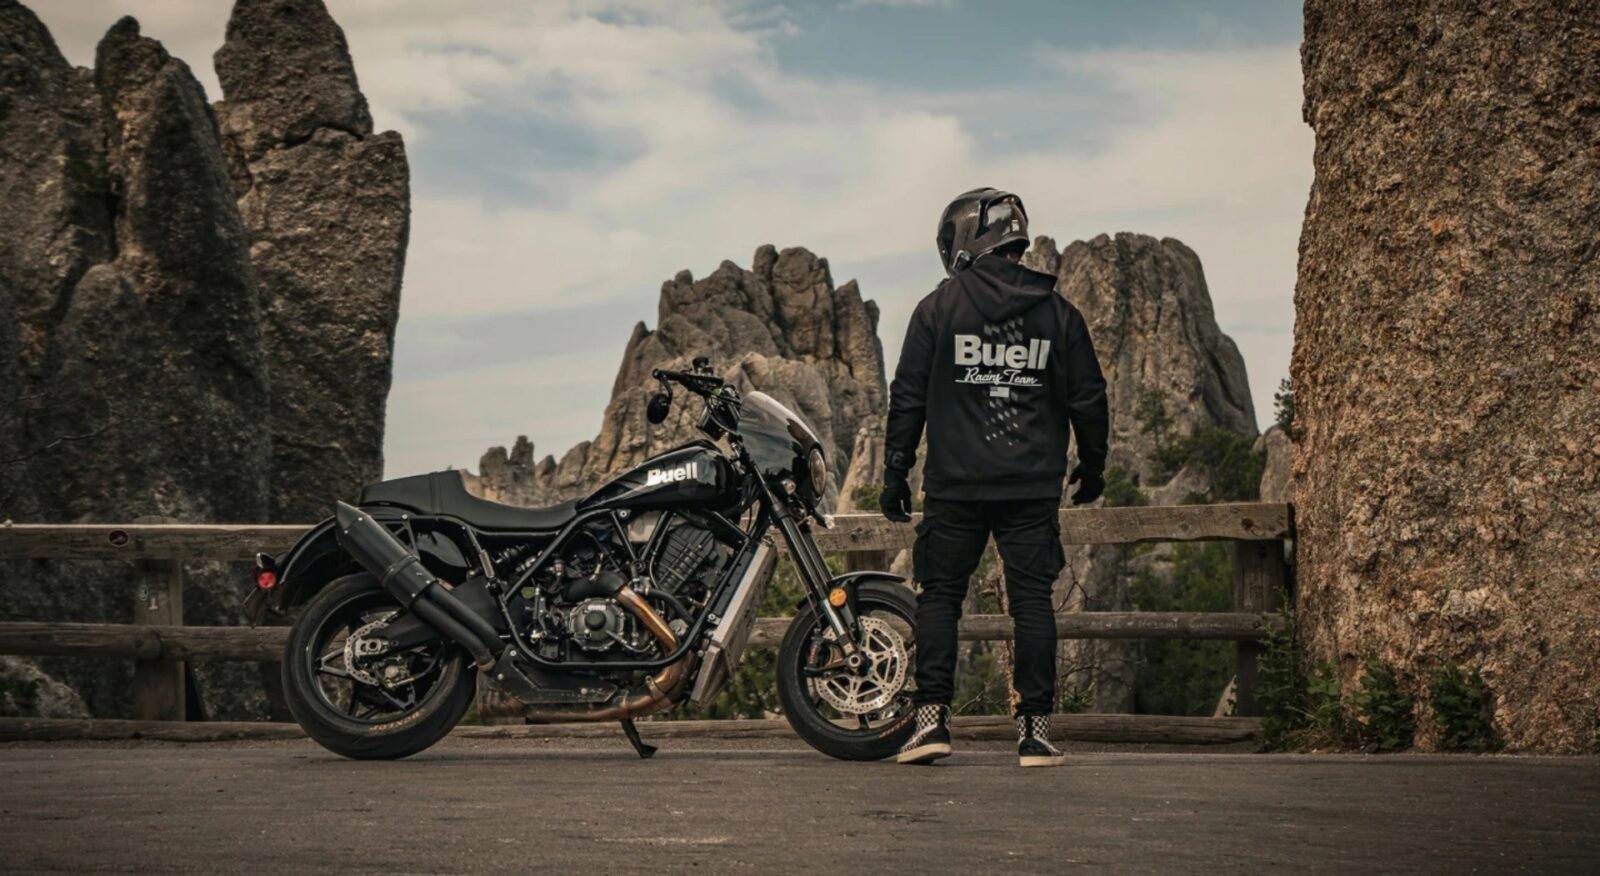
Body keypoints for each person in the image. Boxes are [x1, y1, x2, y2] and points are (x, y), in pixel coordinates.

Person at [881, 187, 1109, 768]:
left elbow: (907, 398)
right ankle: (1035, 734)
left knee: (941, 597)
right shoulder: (1058, 313)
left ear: (964, 238)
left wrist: (895, 471)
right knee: (1032, 602)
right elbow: (1089, 398)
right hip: (1030, 486)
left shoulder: (937, 310)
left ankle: (932, 724)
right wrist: (1093, 465)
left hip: (955, 485)